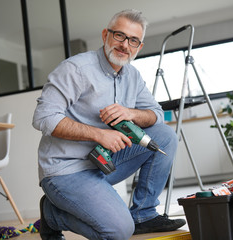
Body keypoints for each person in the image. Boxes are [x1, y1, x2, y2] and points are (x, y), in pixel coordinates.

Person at [32, 9, 186, 240]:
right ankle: (52, 215)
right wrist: (99, 135)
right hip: (66, 170)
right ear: (105, 35)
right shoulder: (76, 69)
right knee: (119, 231)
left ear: (139, 47)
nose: (125, 45)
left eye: (133, 40)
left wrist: (130, 113)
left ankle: (143, 214)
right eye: (119, 36)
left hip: (103, 163)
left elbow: (156, 114)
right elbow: (43, 117)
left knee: (165, 135)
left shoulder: (132, 76)